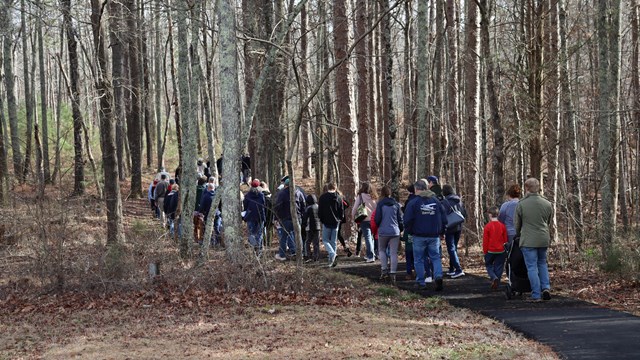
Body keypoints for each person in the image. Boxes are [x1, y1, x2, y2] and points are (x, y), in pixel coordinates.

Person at [403, 179, 447, 291]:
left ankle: (421, 282)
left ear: (416, 189)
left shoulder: (413, 202)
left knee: (418, 259)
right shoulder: (436, 201)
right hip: (434, 235)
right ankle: (438, 276)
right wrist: (442, 231)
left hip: (418, 235)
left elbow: (407, 220)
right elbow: (444, 217)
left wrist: (409, 231)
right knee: (435, 257)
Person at [516, 177, 553, 302]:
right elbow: (548, 222)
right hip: (543, 238)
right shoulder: (547, 203)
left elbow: (517, 225)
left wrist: (516, 236)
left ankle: (536, 294)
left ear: (527, 188)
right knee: (542, 263)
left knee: (531, 267)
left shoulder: (521, 204)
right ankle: (546, 287)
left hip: (528, 240)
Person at [373, 186, 403, 284]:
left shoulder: (380, 204)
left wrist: (379, 226)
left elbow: (377, 218)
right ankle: (393, 274)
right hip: (395, 231)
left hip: (383, 231)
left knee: (382, 250)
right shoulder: (396, 204)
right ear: (390, 193)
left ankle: (384, 270)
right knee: (393, 253)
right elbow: (400, 218)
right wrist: (400, 228)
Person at [273, 178, 306, 261]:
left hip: (285, 219)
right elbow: (303, 205)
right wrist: (301, 215)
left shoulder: (282, 194)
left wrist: (277, 217)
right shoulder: (299, 193)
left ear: (285, 185)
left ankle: (282, 255)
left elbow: (278, 207)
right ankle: (300, 254)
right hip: (297, 218)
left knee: (284, 237)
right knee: (298, 236)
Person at [442, 184, 467, 278]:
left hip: (450, 227)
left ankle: (458, 269)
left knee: (451, 249)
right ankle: (452, 269)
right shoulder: (459, 200)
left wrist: (442, 229)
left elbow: (443, 216)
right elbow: (464, 213)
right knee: (454, 248)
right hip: (459, 226)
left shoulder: (445, 202)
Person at [318, 182, 345, 267]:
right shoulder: (339, 198)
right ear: (335, 188)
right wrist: (340, 219)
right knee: (333, 241)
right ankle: (332, 260)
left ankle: (332, 255)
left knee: (325, 240)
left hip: (326, 222)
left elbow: (320, 211)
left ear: (327, 188)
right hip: (336, 222)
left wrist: (321, 219)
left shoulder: (322, 197)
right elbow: (342, 211)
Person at [483, 206, 508, 290]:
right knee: (499, 266)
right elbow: (505, 240)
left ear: (489, 215)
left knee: (488, 264)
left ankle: (494, 277)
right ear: (498, 214)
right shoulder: (502, 226)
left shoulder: (487, 226)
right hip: (501, 250)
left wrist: (485, 251)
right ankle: (497, 282)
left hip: (490, 250)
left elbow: (485, 240)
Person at [351, 182, 377, 262]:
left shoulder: (360, 196)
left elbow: (355, 208)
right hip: (374, 220)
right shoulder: (374, 197)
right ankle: (371, 253)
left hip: (364, 219)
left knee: (368, 237)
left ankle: (371, 256)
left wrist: (353, 217)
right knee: (371, 237)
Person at [243, 179, 266, 256]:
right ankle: (259, 250)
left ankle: (252, 249)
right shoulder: (261, 195)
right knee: (259, 233)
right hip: (260, 217)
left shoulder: (248, 195)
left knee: (251, 233)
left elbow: (245, 206)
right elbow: (264, 206)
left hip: (250, 217)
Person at [302, 194, 321, 262]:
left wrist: (303, 226)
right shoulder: (318, 207)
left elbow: (305, 218)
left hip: (309, 227)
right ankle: (316, 257)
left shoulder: (308, 208)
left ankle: (308, 256)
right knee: (316, 243)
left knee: (308, 242)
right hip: (318, 227)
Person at [336, 192, 353, 257]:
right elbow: (347, 205)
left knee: (337, 235)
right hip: (340, 220)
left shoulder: (340, 200)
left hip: (337, 219)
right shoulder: (342, 200)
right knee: (338, 235)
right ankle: (345, 247)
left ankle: (345, 248)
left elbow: (347, 204)